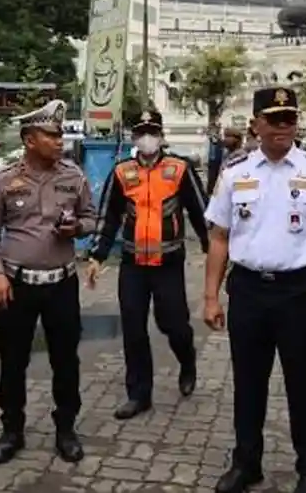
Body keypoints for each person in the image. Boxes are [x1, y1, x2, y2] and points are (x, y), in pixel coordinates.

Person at [203, 87, 306, 493]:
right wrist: (211, 296)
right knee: (248, 383)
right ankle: (247, 463)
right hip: (248, 290)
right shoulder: (234, 174)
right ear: (256, 124)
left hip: (299, 293)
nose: (284, 127)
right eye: (275, 118)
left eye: (290, 119)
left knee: (305, 386)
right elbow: (218, 238)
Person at [0, 99, 96, 465]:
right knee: (13, 361)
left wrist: (78, 228)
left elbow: (93, 219)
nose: (59, 140)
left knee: (66, 360)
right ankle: (12, 429)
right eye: (51, 134)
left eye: (60, 134)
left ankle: (66, 429)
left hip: (62, 284)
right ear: (30, 139)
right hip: (17, 286)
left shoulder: (74, 177)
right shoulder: (4, 180)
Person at [89, 109, 211, 420]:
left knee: (173, 324)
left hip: (168, 263)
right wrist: (97, 255)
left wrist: (214, 251)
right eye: (142, 132)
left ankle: (187, 360)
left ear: (161, 136)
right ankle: (139, 394)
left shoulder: (179, 169)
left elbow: (201, 213)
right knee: (133, 329)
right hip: (132, 264)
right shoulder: (122, 172)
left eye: (152, 132)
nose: (147, 138)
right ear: (134, 136)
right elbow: (109, 216)